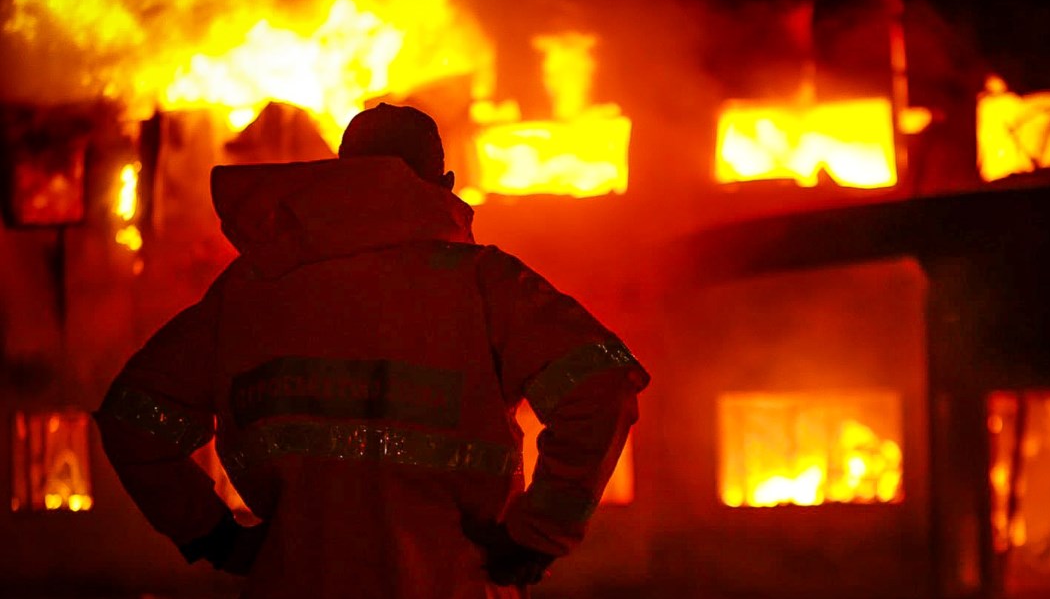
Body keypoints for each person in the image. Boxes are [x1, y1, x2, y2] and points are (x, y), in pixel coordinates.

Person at [94, 104, 649, 598]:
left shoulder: (252, 288)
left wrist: (214, 536)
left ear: (338, 175)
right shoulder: (485, 285)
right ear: (446, 184)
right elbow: (600, 384)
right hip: (454, 582)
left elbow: (133, 417)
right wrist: (538, 535)